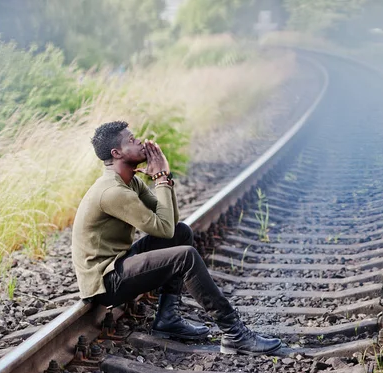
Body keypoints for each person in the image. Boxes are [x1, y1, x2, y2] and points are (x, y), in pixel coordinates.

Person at [71, 121, 282, 355]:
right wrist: (160, 178)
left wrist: (164, 177)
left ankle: (167, 318)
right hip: (106, 281)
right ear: (116, 153)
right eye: (131, 140)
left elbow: (171, 224)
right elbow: (162, 229)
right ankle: (234, 333)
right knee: (186, 257)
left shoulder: (131, 182)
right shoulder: (113, 192)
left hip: (118, 263)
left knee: (183, 233)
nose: (140, 141)